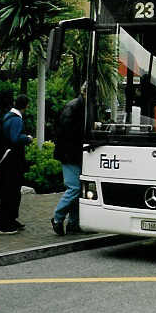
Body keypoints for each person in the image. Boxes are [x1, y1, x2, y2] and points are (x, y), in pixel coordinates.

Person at [0, 94, 33, 235]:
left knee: (9, 191)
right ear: (26, 106)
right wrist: (27, 138)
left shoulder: (7, 116)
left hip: (4, 159)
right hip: (12, 161)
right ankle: (4, 225)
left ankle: (10, 220)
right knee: (11, 192)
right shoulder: (17, 120)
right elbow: (15, 138)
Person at [52, 84, 87, 236]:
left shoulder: (77, 106)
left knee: (76, 189)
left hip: (71, 153)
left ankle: (73, 222)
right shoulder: (75, 107)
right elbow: (67, 133)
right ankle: (58, 218)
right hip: (70, 154)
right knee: (75, 188)